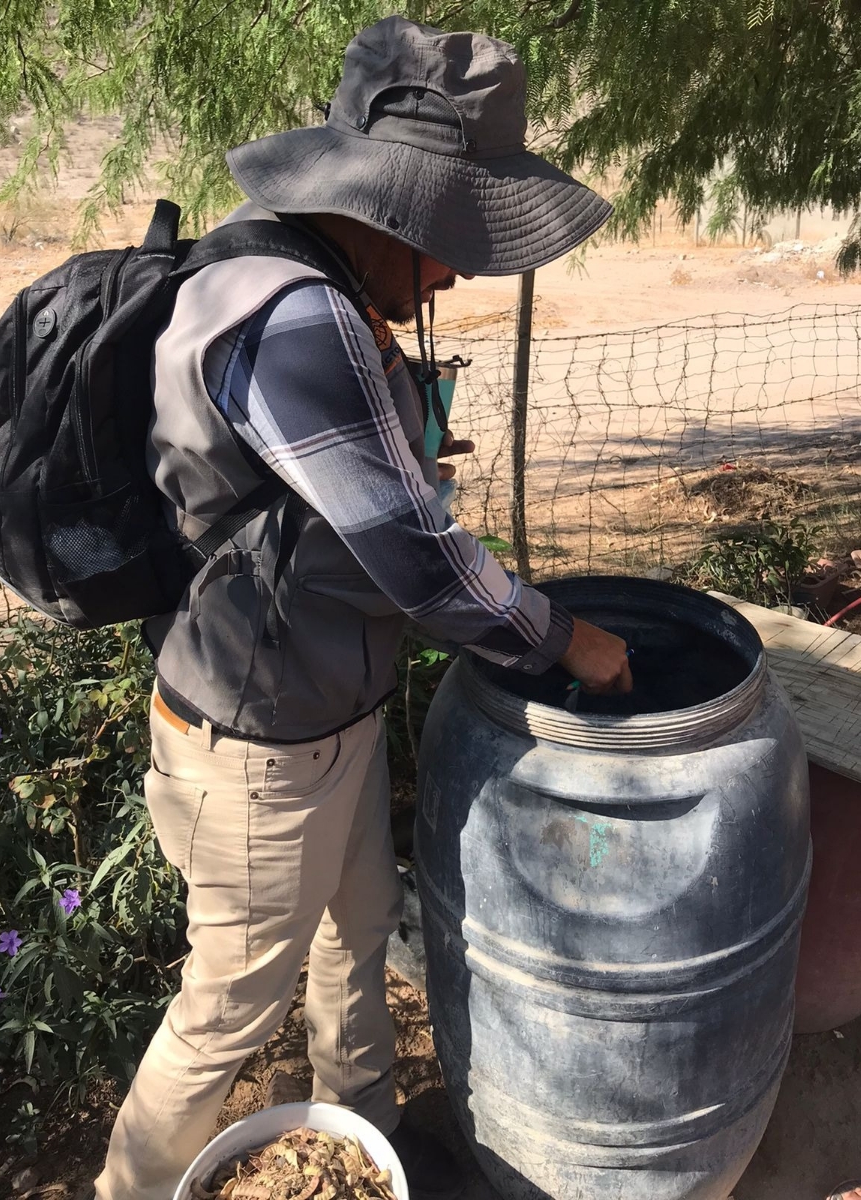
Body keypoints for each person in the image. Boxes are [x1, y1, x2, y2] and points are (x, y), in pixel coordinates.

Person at [94, 15, 632, 1200]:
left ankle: (370, 1147)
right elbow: (422, 564)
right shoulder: (297, 319)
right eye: (449, 242)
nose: (451, 274)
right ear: (391, 208)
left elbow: (351, 510)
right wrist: (568, 640)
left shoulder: (303, 278)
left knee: (356, 939)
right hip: (257, 750)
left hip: (319, 717)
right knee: (228, 1009)